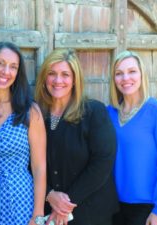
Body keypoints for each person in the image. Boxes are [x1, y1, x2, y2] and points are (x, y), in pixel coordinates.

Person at [35, 48, 119, 225]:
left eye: (65, 74)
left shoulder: (94, 111)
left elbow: (103, 161)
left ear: (74, 80)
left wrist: (65, 204)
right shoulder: (36, 115)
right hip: (50, 213)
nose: (58, 80)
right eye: (52, 74)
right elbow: (29, 162)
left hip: (90, 213)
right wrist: (49, 195)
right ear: (44, 78)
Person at [0, 41, 46, 225]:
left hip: (20, 201)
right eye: (0, 63)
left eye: (13, 67)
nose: (6, 71)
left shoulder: (29, 111)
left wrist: (37, 216)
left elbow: (39, 167)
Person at [107, 50, 157, 225]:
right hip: (112, 207)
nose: (125, 78)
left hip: (146, 209)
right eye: (119, 73)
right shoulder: (109, 113)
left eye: (132, 71)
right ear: (114, 79)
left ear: (142, 75)